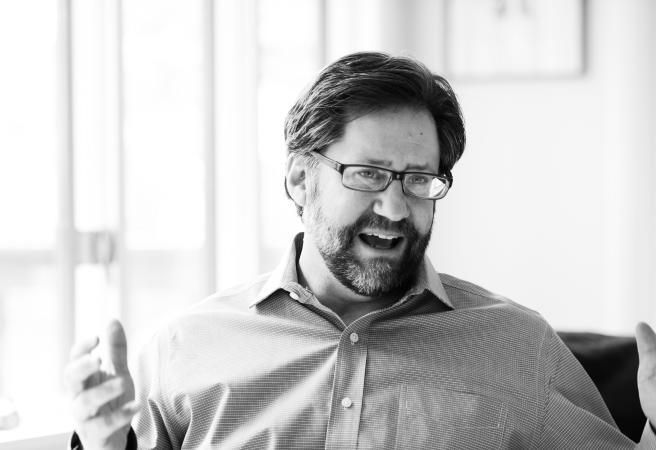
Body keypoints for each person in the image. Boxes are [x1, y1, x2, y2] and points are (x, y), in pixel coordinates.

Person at [64, 52, 656, 449]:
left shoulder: (519, 346)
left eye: (418, 179)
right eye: (368, 174)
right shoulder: (183, 349)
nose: (396, 208)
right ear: (300, 179)